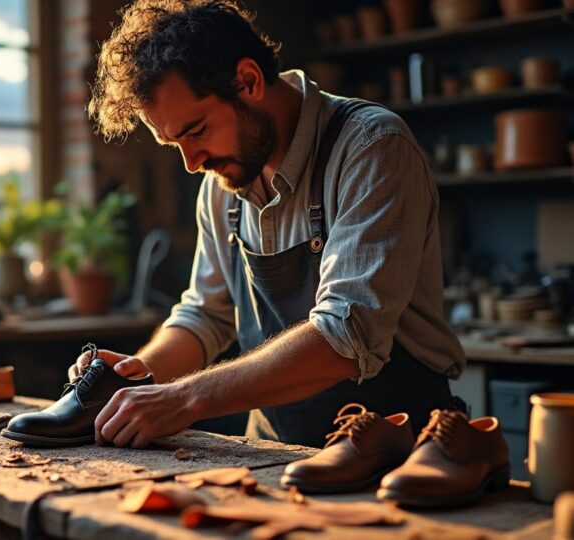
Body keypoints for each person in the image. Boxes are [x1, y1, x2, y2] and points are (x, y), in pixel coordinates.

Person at [68, 0, 465, 449]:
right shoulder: (222, 182)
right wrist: (138, 375)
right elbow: (206, 315)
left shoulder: (372, 147)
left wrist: (184, 398)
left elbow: (346, 335)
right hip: (276, 453)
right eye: (173, 143)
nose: (192, 163)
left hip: (399, 454)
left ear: (248, 81)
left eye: (196, 131)